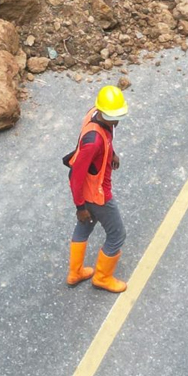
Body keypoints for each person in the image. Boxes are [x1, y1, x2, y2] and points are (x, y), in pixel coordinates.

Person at [65, 86, 130, 293]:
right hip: (97, 194)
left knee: (85, 225)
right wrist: (80, 206)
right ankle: (102, 277)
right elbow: (76, 175)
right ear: (103, 112)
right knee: (117, 234)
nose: (116, 121)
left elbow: (106, 138)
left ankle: (75, 273)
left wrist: (111, 153)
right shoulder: (92, 144)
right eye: (113, 117)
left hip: (88, 194)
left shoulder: (95, 113)